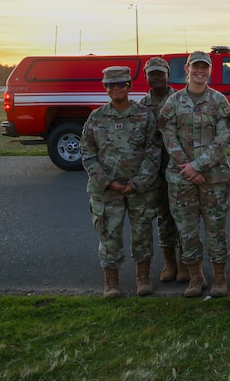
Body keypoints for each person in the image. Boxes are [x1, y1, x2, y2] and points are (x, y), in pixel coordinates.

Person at [158, 51, 230, 298]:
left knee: (216, 230)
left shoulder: (219, 102)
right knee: (187, 231)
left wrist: (198, 166)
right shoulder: (173, 102)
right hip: (182, 179)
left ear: (210, 70)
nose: (200, 71)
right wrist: (187, 168)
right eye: (196, 67)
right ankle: (195, 276)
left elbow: (223, 140)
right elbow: (168, 136)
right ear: (187, 69)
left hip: (214, 178)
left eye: (205, 67)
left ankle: (220, 277)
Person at [81, 66, 160, 298]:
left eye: (121, 84)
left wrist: (139, 181)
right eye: (111, 85)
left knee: (142, 233)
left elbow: (153, 150)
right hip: (107, 191)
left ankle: (143, 277)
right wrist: (107, 181)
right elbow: (87, 152)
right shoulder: (96, 117)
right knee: (109, 234)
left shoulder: (144, 115)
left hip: (139, 189)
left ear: (130, 86)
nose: (116, 89)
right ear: (105, 88)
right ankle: (111, 282)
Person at [138, 57, 188, 283]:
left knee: (184, 216)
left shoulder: (180, 100)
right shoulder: (141, 106)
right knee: (164, 217)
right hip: (154, 170)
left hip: (178, 167)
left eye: (160, 73)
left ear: (168, 74)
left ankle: (186, 262)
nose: (156, 78)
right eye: (152, 74)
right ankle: (170, 262)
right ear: (146, 76)